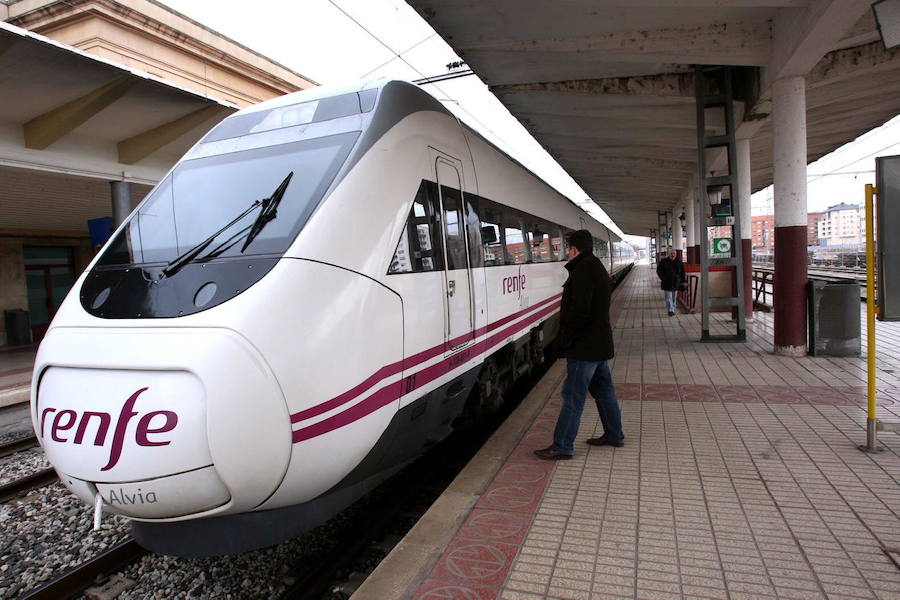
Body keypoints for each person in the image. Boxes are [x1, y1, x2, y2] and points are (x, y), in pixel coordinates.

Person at [534, 229, 624, 460]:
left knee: (573, 397)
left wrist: (566, 338)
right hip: (599, 344)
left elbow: (579, 311)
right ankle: (614, 435)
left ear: (574, 249)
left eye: (567, 249)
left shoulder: (583, 270)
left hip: (584, 347)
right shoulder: (596, 267)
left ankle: (562, 445)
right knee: (604, 392)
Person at [656, 249, 685, 317]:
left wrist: (683, 281)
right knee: (668, 298)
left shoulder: (679, 262)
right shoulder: (663, 261)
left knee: (674, 298)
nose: (673, 255)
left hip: (676, 282)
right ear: (668, 254)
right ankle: (670, 310)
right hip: (667, 283)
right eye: (671, 253)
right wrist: (663, 278)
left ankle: (673, 310)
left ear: (676, 254)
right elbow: (659, 271)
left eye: (674, 253)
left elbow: (683, 272)